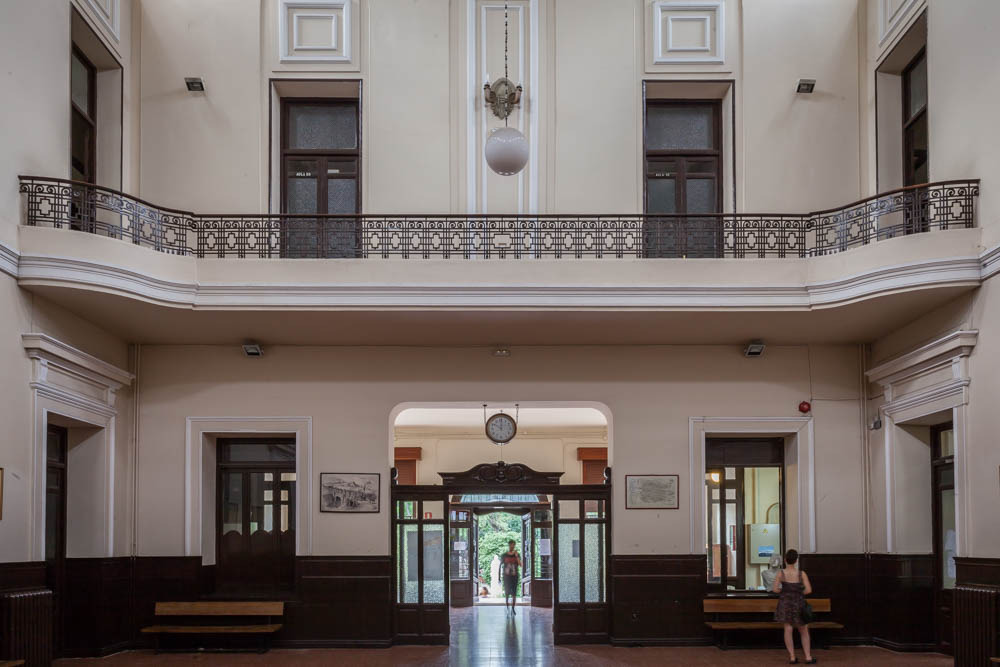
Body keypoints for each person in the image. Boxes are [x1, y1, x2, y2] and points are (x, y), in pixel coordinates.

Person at [773, 548, 816, 664]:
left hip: (785, 603)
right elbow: (808, 590)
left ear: (785, 560)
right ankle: (808, 657)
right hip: (799, 603)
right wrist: (798, 593)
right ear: (796, 560)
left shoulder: (781, 573)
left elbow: (775, 589)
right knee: (804, 629)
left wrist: (785, 592)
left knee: (788, 628)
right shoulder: (801, 574)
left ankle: (792, 657)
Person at [501, 539, 522, 616]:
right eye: (511, 545)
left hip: (514, 576)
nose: (512, 546)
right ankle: (507, 607)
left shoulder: (517, 554)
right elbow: (501, 564)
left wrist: (516, 556)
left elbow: (520, 564)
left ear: (515, 545)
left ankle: (513, 608)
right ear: (509, 545)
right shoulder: (504, 555)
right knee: (507, 593)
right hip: (506, 576)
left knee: (514, 593)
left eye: (513, 545)